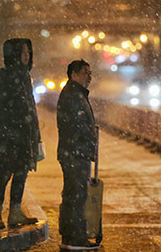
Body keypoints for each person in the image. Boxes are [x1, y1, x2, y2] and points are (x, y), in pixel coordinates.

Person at [0, 38, 41, 229]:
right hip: (9, 136)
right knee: (5, 174)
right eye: (23, 52)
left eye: (28, 52)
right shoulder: (5, 76)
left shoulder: (25, 76)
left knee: (21, 173)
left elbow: (30, 108)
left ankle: (15, 212)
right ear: (15, 54)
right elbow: (8, 107)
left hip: (23, 135)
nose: (27, 55)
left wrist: (35, 134)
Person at [57, 59, 100, 250]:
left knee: (73, 194)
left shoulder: (76, 93)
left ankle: (70, 235)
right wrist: (88, 139)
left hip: (75, 151)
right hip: (75, 152)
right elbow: (77, 125)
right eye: (85, 72)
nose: (89, 76)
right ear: (73, 74)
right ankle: (75, 238)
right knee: (77, 195)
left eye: (90, 72)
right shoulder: (73, 95)